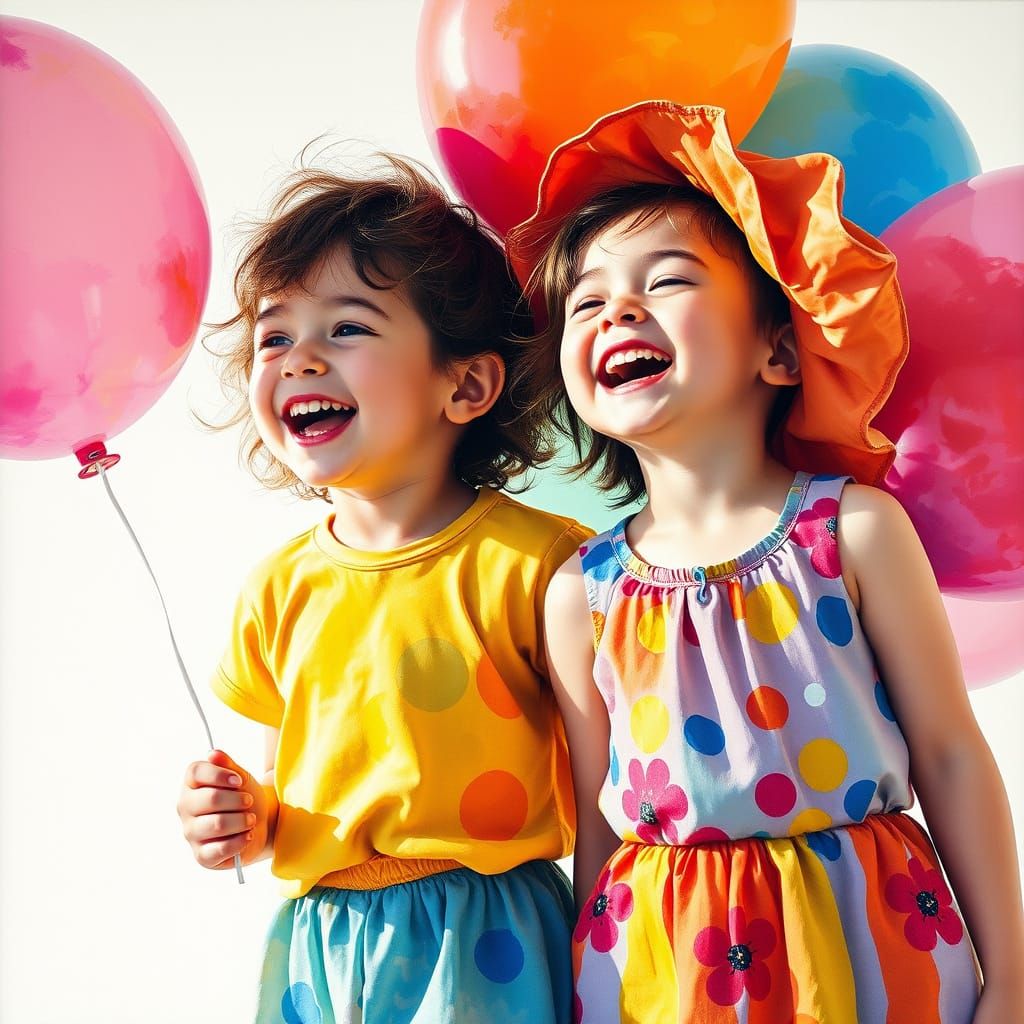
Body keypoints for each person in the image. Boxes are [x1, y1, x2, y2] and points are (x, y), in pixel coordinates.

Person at [506, 101, 1023, 1024]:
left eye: (665, 281)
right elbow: (595, 825)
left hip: (876, 947)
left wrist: (1014, 978)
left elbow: (950, 755)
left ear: (778, 349)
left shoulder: (854, 532)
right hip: (665, 970)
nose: (618, 307)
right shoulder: (579, 591)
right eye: (587, 300)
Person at [176, 155, 590, 1024]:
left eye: (348, 329)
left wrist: (612, 954)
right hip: (318, 943)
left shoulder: (539, 565)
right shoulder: (278, 589)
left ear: (466, 384)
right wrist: (241, 819)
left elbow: (605, 801)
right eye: (275, 335)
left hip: (488, 937)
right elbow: (313, 786)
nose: (298, 360)